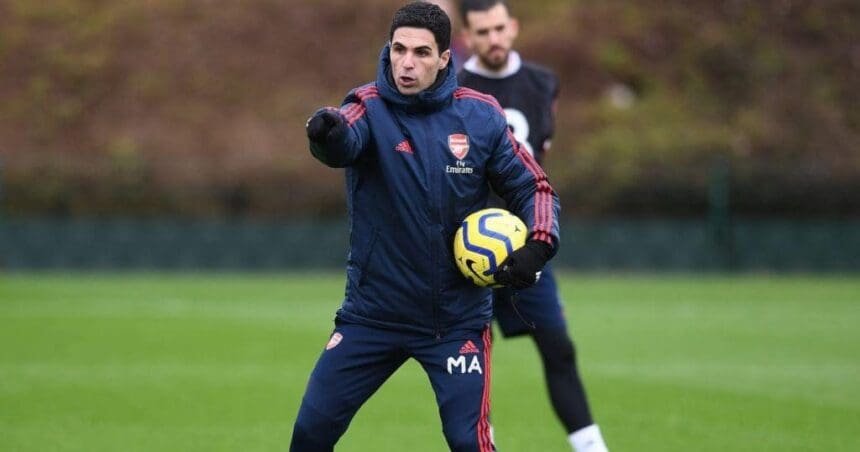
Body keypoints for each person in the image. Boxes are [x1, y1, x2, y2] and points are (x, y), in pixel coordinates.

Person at [290, 3, 560, 451]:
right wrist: (326, 131)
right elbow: (343, 139)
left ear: (444, 58)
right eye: (398, 50)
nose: (406, 63)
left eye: (420, 52)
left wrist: (538, 245)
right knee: (310, 434)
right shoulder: (366, 107)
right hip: (373, 316)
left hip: (455, 323)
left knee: (468, 442)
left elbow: (534, 186)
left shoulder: (480, 116)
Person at [456, 1, 610, 451]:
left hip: (526, 243)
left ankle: (592, 447)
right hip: (466, 249)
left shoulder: (543, 83)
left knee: (559, 348)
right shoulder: (456, 87)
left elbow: (537, 157)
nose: (494, 39)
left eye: (500, 28)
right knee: (471, 363)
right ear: (468, 36)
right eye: (482, 32)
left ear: (514, 27)